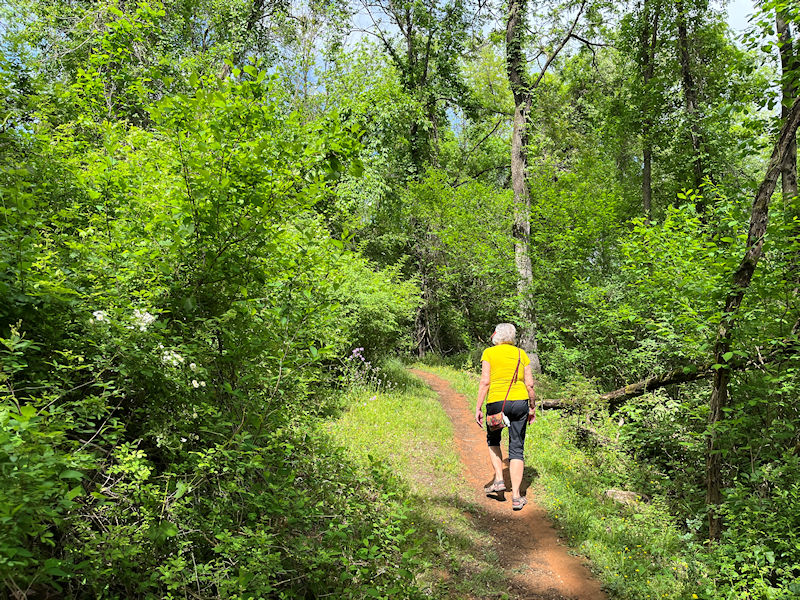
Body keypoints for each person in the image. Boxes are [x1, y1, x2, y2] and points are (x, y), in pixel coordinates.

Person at [474, 323, 537, 510]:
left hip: (497, 402)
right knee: (517, 447)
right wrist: (532, 407)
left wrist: (478, 407)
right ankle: (516, 497)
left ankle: (500, 480)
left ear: (496, 335)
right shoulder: (521, 354)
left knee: (493, 440)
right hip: (519, 403)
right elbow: (530, 384)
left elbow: (485, 382)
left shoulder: (489, 353)